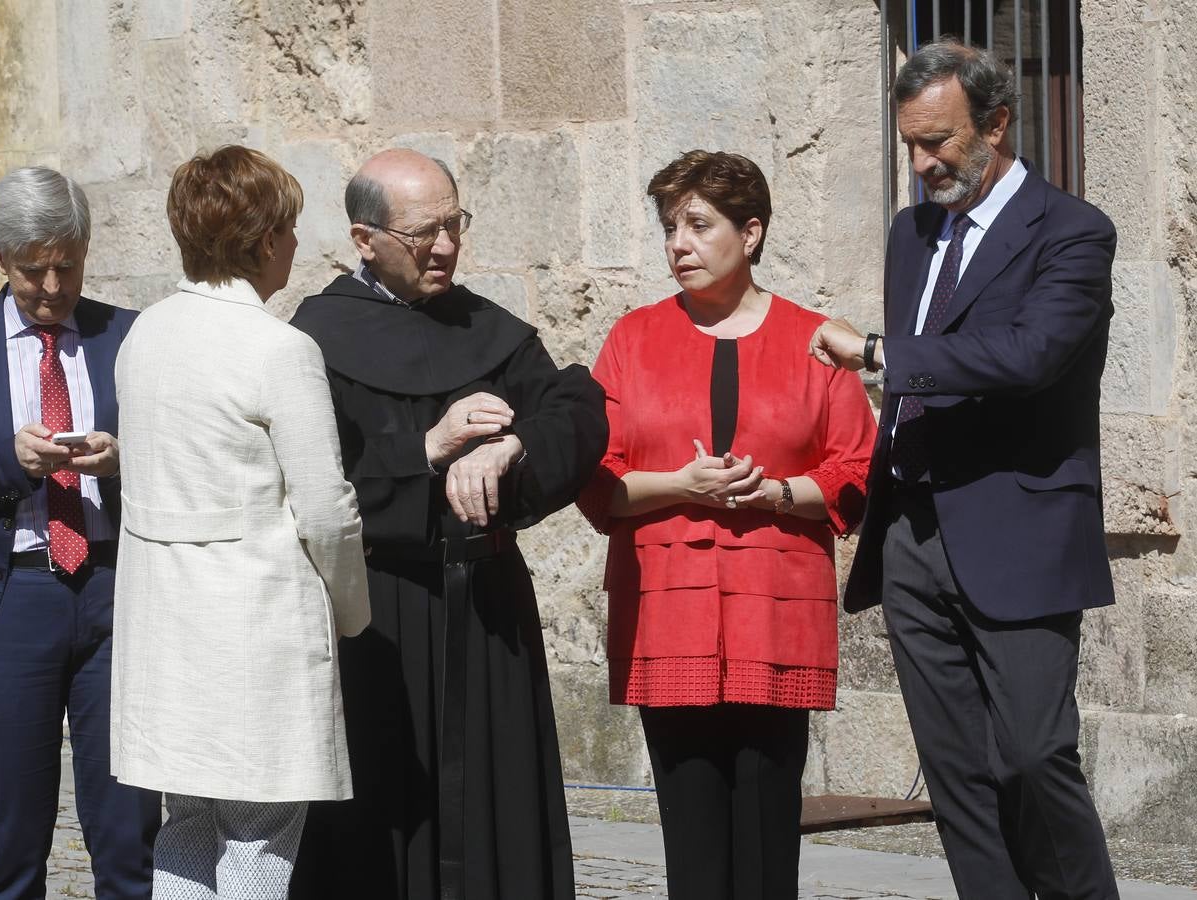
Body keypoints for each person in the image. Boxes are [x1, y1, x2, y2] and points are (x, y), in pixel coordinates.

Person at [809, 41, 1119, 899]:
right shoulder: (910, 234)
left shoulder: (1071, 230)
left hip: (1019, 531)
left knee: (1029, 753)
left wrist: (877, 353)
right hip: (911, 532)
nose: (920, 165)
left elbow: (1029, 354)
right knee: (955, 776)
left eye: (938, 142)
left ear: (996, 124)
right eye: (908, 144)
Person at [286, 148, 607, 900]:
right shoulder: (316, 337)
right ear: (365, 239)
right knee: (384, 817)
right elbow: (310, 483)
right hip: (378, 616)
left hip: (487, 608)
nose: (446, 246)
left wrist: (512, 447)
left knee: (497, 807)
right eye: (422, 232)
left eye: (454, 224)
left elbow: (577, 409)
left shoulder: (483, 326)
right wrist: (424, 457)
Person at [576, 150, 876, 899]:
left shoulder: (817, 340)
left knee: (767, 831)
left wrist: (774, 492)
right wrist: (680, 484)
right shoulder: (632, 339)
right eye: (669, 226)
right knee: (693, 838)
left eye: (697, 225)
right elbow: (595, 477)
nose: (677, 243)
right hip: (665, 611)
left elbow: (856, 470)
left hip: (776, 615)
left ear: (750, 233)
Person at [109, 146, 371, 900]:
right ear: (262, 242)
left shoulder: (146, 336)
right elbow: (324, 509)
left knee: (185, 824)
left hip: (166, 633)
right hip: (256, 631)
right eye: (287, 230)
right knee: (259, 834)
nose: (293, 246)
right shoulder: (278, 350)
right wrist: (352, 612)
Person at [0, 166, 160, 898]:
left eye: (67, 267)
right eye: (32, 270)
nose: (52, 287)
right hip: (9, 601)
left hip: (115, 598)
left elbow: (178, 464)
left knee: (130, 836)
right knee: (12, 849)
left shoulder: (129, 337)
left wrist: (120, 462)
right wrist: (8, 462)